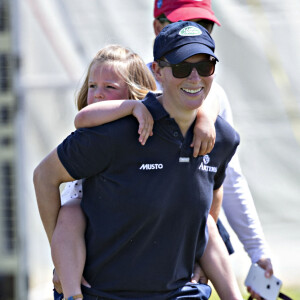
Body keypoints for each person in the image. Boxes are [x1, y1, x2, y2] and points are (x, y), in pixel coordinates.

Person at [34, 21, 242, 299]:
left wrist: (197, 252)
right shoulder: (109, 134)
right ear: (157, 71)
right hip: (102, 292)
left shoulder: (221, 137)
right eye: (181, 67)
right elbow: (44, 176)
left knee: (206, 224)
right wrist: (61, 263)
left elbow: (212, 196)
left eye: (205, 67)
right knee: (72, 212)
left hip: (181, 292)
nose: (194, 77)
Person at [152, 1, 273, 299]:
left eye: (203, 26)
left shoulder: (213, 92)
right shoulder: (133, 83)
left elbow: (228, 178)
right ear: (157, 27)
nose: (194, 34)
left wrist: (258, 253)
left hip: (197, 237)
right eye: (182, 23)